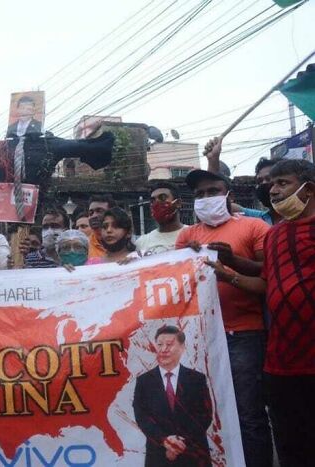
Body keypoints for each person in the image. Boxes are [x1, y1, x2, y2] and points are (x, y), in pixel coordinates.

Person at [204, 159, 315, 466]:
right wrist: (229, 272)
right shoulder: (275, 235)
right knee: (290, 444)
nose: (273, 190)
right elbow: (267, 282)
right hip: (280, 362)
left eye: (283, 183)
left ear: (308, 190)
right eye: (271, 184)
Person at [175, 169, 272, 467]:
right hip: (199, 337)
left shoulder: (255, 227)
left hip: (243, 334)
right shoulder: (187, 236)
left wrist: (230, 267)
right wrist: (183, 261)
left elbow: (268, 273)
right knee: (207, 412)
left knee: (248, 413)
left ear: (228, 194)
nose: (206, 198)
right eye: (200, 194)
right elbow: (172, 282)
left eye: (213, 191)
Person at [133, 325, 212, 467]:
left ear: (182, 347)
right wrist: (165, 441)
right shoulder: (144, 381)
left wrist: (179, 444)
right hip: (158, 455)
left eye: (169, 344)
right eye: (159, 345)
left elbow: (205, 415)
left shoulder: (196, 379)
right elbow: (142, 416)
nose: (163, 349)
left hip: (194, 454)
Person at [204, 137, 282, 225]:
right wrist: (213, 160)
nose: (264, 184)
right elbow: (219, 204)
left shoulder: (295, 219)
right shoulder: (261, 218)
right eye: (260, 181)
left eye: (269, 179)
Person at [135, 182, 186, 256]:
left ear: (178, 203)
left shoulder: (195, 234)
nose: (156, 202)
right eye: (152, 200)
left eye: (162, 198)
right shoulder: (141, 243)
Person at [87, 194, 117, 259]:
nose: (94, 216)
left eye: (100, 211)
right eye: (91, 213)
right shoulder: (84, 245)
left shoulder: (126, 243)